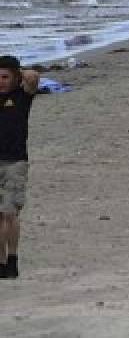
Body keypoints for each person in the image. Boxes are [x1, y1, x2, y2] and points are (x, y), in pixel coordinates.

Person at [0, 55, 39, 279]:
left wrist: (17, 69)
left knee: (10, 213)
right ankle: (1, 261)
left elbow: (33, 77)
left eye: (5, 77)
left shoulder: (22, 96)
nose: (1, 82)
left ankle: (13, 259)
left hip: (15, 162)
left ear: (15, 78)